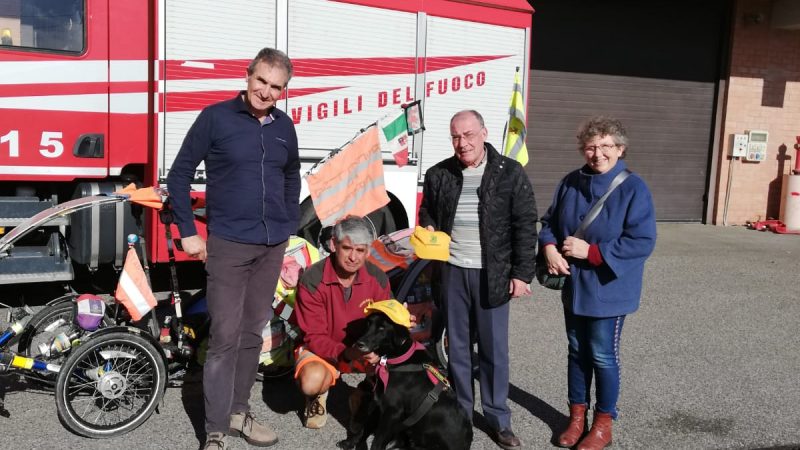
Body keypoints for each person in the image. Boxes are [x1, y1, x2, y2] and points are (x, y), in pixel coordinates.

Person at [166, 47, 300, 449]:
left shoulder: (284, 126)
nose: (266, 92)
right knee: (224, 337)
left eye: (276, 87)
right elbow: (179, 175)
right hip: (227, 244)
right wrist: (188, 230)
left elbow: (291, 176)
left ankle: (240, 413)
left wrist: (288, 222)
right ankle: (215, 430)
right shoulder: (215, 118)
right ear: (247, 76)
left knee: (251, 335)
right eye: (261, 81)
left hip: (271, 245)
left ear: (284, 90)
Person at [418, 109, 538, 450]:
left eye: (469, 135)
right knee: (456, 347)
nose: (462, 143)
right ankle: (460, 414)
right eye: (456, 136)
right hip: (453, 271)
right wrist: (428, 224)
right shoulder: (439, 173)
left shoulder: (509, 173)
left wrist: (521, 273)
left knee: (493, 350)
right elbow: (428, 209)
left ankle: (499, 419)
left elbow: (525, 224)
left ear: (483, 133)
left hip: (493, 273)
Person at [539, 116, 656, 450]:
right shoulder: (569, 182)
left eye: (606, 146)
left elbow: (642, 241)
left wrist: (591, 252)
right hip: (574, 288)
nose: (598, 153)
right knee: (577, 353)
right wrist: (548, 246)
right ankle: (577, 419)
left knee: (603, 355)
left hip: (609, 289)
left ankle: (604, 424)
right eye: (591, 146)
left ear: (620, 149)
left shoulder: (634, 188)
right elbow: (548, 223)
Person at [293, 216, 392, 429]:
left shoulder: (378, 278)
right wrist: (346, 353)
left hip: (363, 350)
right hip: (322, 350)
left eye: (360, 250)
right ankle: (317, 396)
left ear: (368, 251)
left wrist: (380, 348)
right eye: (347, 248)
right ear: (333, 245)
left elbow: (388, 322)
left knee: (400, 368)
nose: (353, 257)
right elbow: (314, 336)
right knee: (311, 382)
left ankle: (364, 392)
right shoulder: (312, 279)